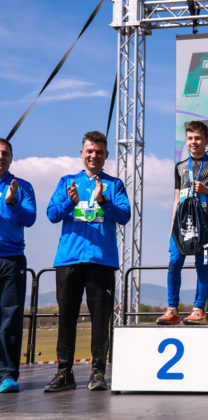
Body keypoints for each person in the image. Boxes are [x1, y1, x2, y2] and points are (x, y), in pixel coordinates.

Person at [44, 131, 130, 392]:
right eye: (89, 151)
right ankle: (64, 373)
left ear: (106, 155)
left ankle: (98, 373)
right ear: (82, 154)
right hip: (69, 260)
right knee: (66, 317)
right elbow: (51, 214)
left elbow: (124, 216)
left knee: (100, 319)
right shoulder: (67, 182)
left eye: (99, 152)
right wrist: (69, 203)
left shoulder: (114, 185)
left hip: (101, 261)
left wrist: (102, 200)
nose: (94, 156)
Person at [156, 121, 208, 325]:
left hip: (205, 225)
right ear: (186, 141)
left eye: (198, 138)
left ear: (207, 140)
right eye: (190, 138)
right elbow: (177, 198)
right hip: (182, 225)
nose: (194, 142)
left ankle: (199, 310)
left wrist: (206, 190)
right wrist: (172, 225)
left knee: (202, 265)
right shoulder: (180, 167)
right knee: (174, 263)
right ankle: (172, 310)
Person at [0, 139, 36, 393]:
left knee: (10, 318)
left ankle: (8, 375)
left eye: (5, 153)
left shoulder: (22, 186)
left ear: (11, 158)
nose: (1, 157)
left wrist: (12, 203)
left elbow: (30, 218)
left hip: (12, 260)